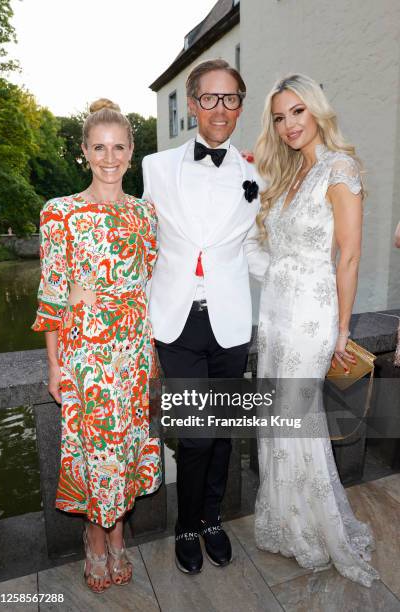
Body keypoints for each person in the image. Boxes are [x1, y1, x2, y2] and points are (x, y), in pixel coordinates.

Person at [252, 74, 379, 586]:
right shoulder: (289, 174)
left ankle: (316, 528)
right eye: (280, 117)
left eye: (297, 112)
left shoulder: (339, 168)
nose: (289, 125)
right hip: (276, 312)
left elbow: (348, 257)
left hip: (310, 314)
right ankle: (286, 522)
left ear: (317, 111)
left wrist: (342, 329)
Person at [32, 99, 162, 593]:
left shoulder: (146, 216)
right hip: (85, 352)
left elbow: (143, 287)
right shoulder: (59, 213)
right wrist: (54, 366)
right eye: (100, 147)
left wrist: (148, 351)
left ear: (131, 152)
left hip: (129, 351)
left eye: (120, 147)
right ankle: (95, 536)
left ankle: (118, 532)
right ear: (85, 152)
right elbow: (51, 294)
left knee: (125, 446)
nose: (110, 157)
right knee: (93, 450)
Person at [142, 59, 265, 574]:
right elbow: (140, 244)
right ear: (192, 104)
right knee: (196, 432)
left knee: (223, 431)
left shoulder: (256, 173)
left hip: (231, 321)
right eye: (209, 98)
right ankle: (186, 525)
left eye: (230, 98)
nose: (220, 108)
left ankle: (212, 517)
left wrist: (302, 273)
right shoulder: (154, 167)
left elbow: (254, 249)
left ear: (240, 105)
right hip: (176, 321)